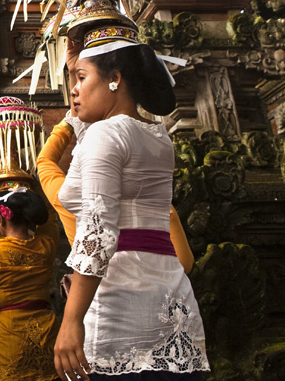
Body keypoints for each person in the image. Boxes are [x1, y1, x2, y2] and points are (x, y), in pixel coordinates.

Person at [53, 26, 209, 381]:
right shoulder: (156, 136)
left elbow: (98, 232)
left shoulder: (106, 137)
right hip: (171, 302)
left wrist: (71, 319)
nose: (73, 90)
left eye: (80, 77)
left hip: (119, 312)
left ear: (115, 79)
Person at [37, 116, 194, 273]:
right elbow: (184, 264)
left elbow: (44, 161)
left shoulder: (69, 198)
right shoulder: (154, 203)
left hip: (97, 291)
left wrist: (67, 125)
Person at [0, 189, 61, 381]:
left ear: (2, 220)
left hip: (6, 346)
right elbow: (51, 219)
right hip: (47, 340)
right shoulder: (47, 246)